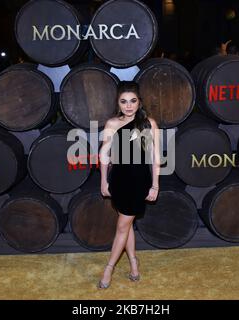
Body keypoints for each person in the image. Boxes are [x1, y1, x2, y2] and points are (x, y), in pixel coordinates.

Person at [98, 81, 161, 289]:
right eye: (124, 101)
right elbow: (103, 155)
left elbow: (155, 157)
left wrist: (155, 185)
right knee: (126, 224)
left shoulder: (148, 123)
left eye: (133, 101)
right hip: (119, 179)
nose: (128, 105)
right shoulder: (112, 124)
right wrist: (104, 181)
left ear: (139, 102)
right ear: (118, 103)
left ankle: (109, 268)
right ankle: (133, 262)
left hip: (139, 181)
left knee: (122, 225)